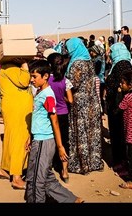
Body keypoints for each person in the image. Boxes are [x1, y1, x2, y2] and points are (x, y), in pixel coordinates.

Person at [25, 59, 83, 203]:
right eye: (31, 76)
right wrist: (30, 137)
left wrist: (60, 146)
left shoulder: (48, 95)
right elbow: (39, 119)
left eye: (34, 77)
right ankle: (71, 199)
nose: (32, 80)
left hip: (44, 142)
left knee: (37, 179)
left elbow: (54, 121)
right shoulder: (41, 92)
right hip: (39, 139)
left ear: (45, 76)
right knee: (45, 176)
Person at [65, 37, 103, 175]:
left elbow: (72, 84)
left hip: (80, 103)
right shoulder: (88, 61)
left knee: (81, 131)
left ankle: (82, 164)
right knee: (91, 131)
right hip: (91, 101)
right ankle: (93, 161)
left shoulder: (77, 63)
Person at [0, 58, 33, 190]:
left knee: (11, 139)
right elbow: (24, 81)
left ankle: (5, 169)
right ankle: (17, 178)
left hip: (14, 109)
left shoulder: (8, 67)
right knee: (19, 140)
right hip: (17, 110)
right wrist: (24, 64)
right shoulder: (11, 67)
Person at [105, 42, 132, 174]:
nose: (110, 54)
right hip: (119, 107)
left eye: (111, 52)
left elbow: (123, 88)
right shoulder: (123, 63)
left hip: (119, 108)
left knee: (120, 135)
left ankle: (122, 164)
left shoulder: (121, 65)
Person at [47, 52, 73, 183]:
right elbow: (71, 100)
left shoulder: (46, 81)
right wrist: (62, 98)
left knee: (50, 140)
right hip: (63, 114)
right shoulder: (65, 80)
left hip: (49, 114)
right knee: (64, 141)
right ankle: (65, 171)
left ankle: (49, 167)